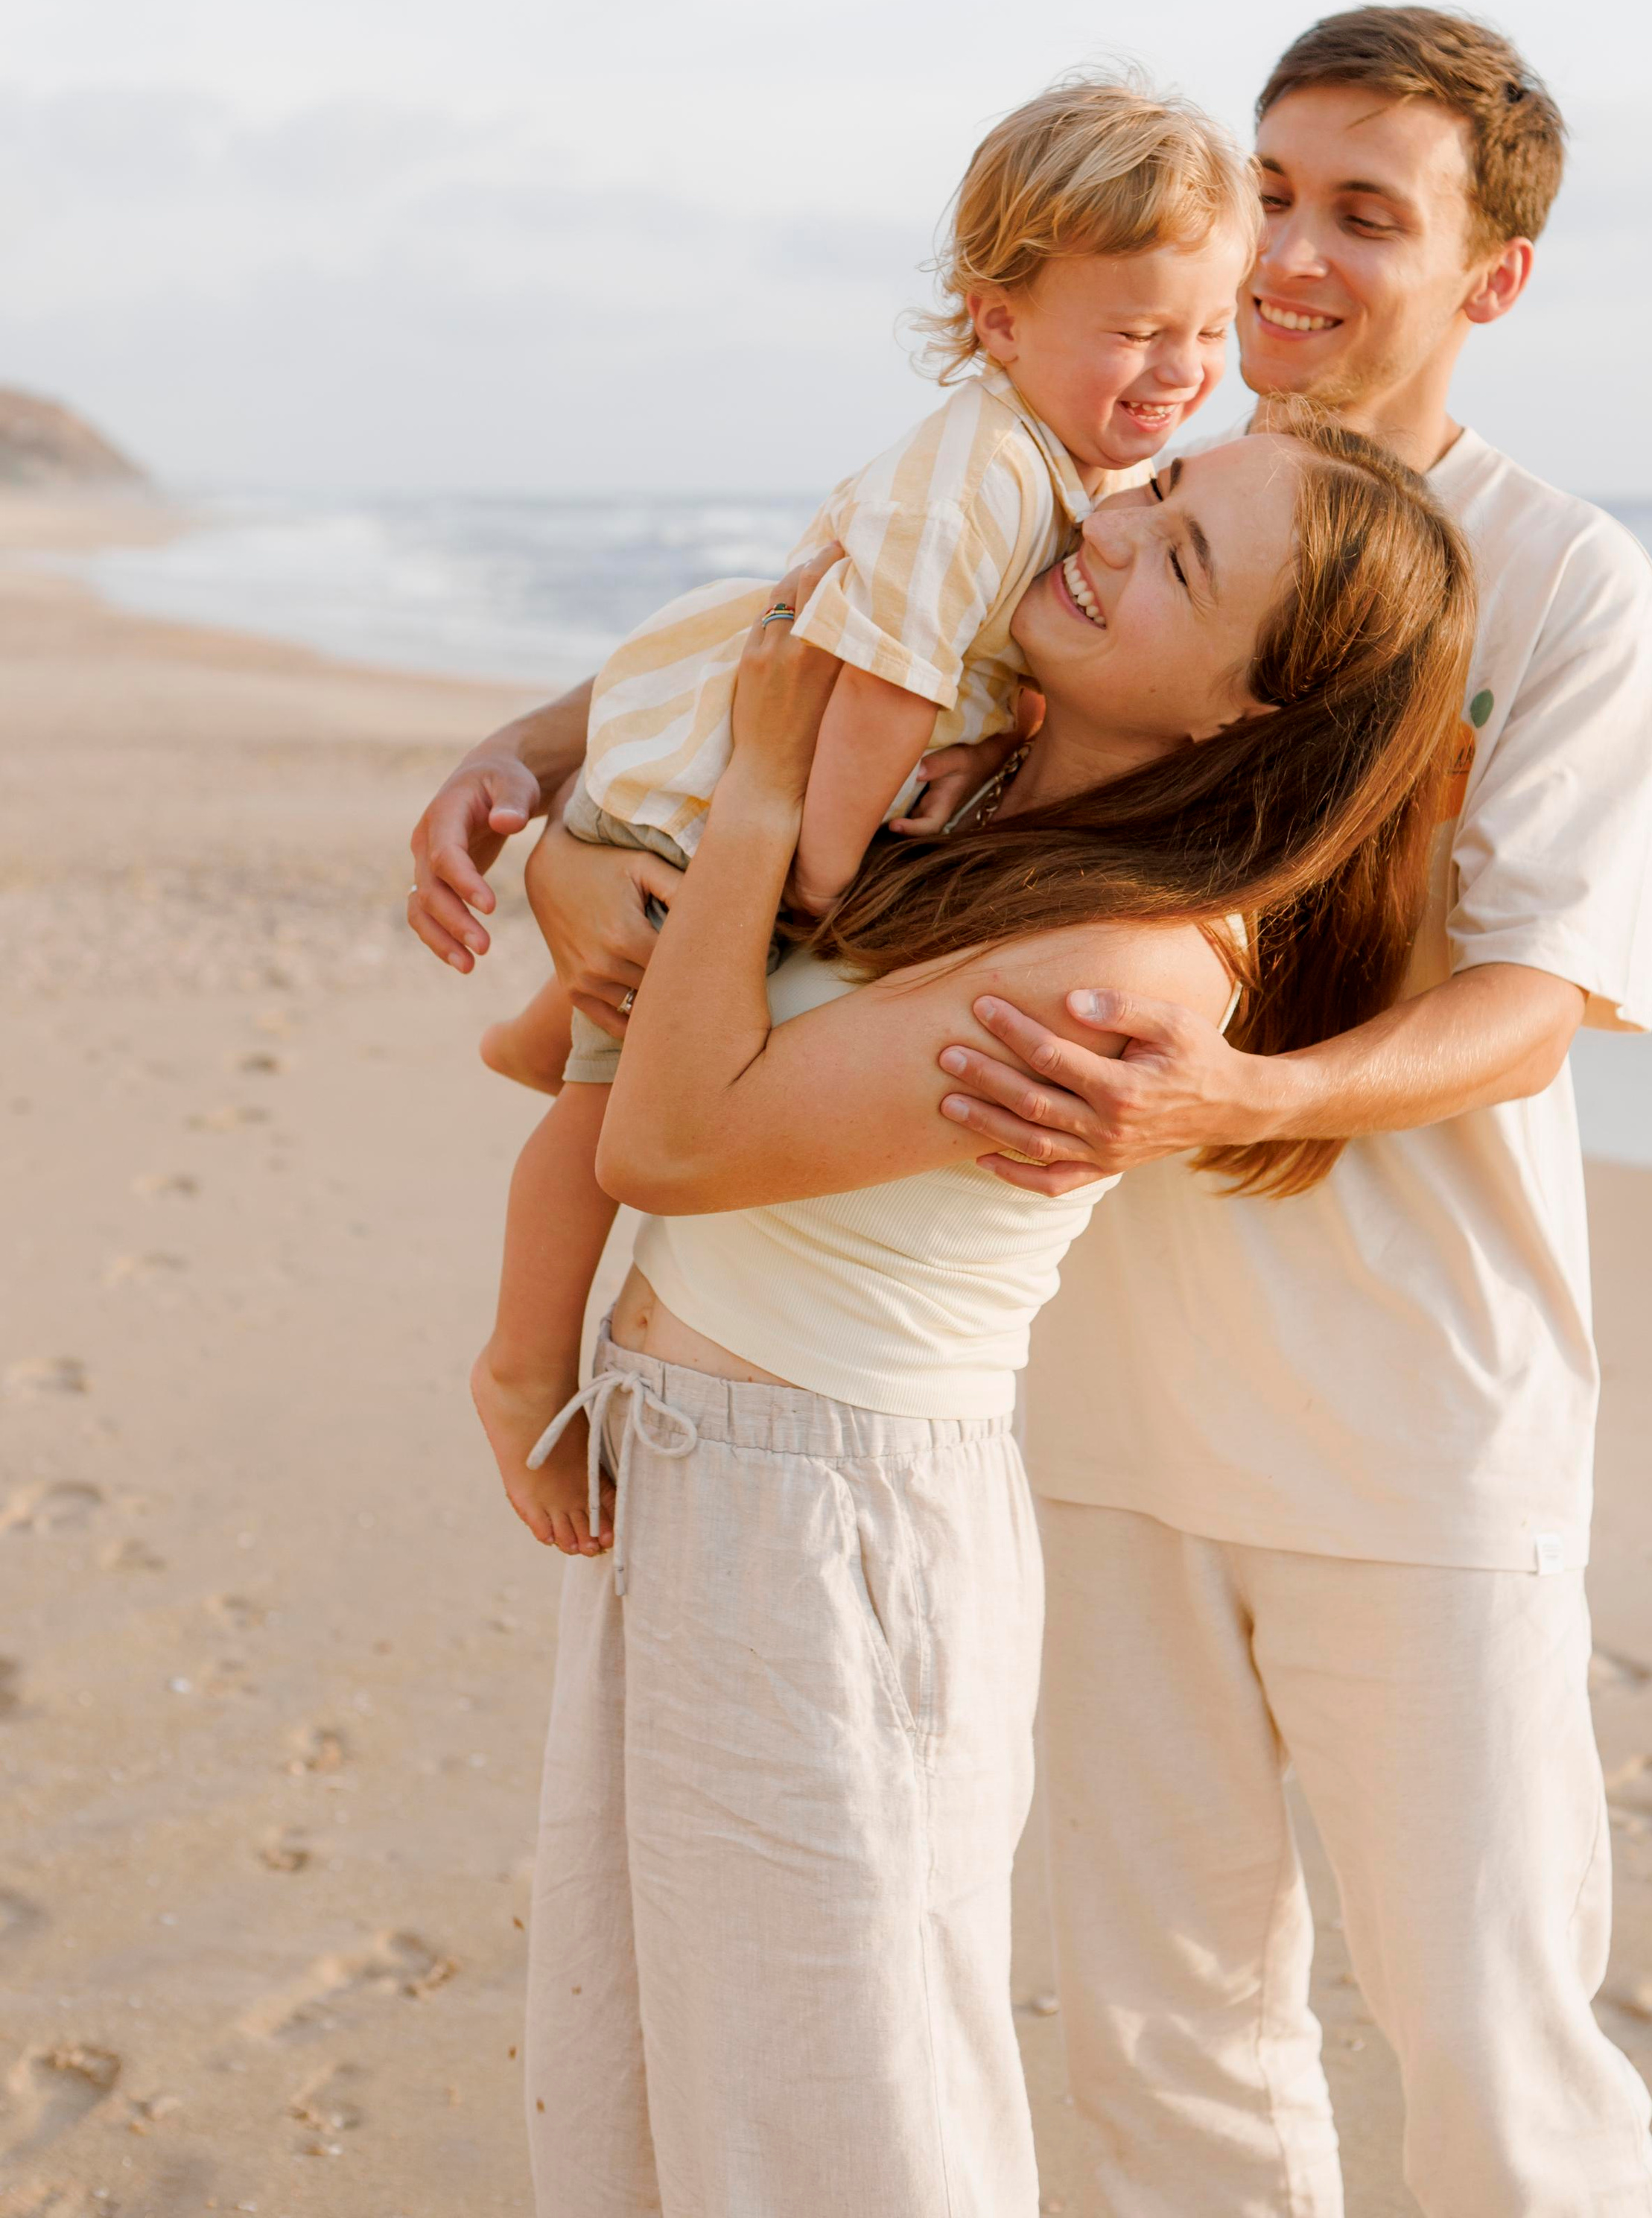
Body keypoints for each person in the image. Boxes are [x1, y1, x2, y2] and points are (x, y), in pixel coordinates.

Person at [508, 425, 1473, 2214]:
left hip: (827, 1531)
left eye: (1183, 561)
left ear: (1243, 720)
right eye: (1157, 490)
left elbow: (669, 1132)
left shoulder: (1119, 965)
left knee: (839, 2129)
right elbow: (631, 951)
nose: (1111, 524)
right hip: (699, 1474)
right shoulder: (966, 783)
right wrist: (566, 854)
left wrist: (761, 784)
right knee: (659, 2091)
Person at [925, 7, 1652, 2218]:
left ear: (1491, 278)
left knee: (1494, 2053)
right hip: (1100, 1412)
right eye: (1271, 189)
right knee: (1167, 2053)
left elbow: (1535, 996)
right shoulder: (1109, 516)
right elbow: (836, 657)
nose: (1292, 254)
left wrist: (1240, 1096)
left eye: (1370, 212)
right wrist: (553, 752)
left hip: (1417, 1429)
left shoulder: (1561, 582)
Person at [468, 77, 1254, 1554]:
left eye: (1208, 330)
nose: (1180, 367)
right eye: (1138, 331)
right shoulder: (975, 476)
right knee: (606, 1084)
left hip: (792, 781)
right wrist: (825, 892)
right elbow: (882, 689)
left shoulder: (1097, 462)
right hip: (729, 797)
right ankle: (518, 1364)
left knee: (609, 1031)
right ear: (997, 321)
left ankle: (529, 1034)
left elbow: (1006, 674)